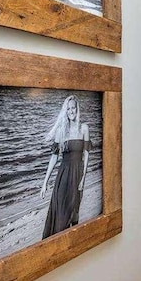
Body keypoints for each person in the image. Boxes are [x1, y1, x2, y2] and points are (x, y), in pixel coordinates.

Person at [40, 95, 91, 238]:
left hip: (77, 175)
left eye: (73, 108)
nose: (71, 111)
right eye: (68, 109)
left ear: (77, 108)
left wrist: (83, 179)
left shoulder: (84, 129)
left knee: (74, 214)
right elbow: (54, 158)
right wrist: (45, 183)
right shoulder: (61, 131)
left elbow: (86, 155)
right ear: (65, 111)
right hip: (63, 176)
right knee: (61, 214)